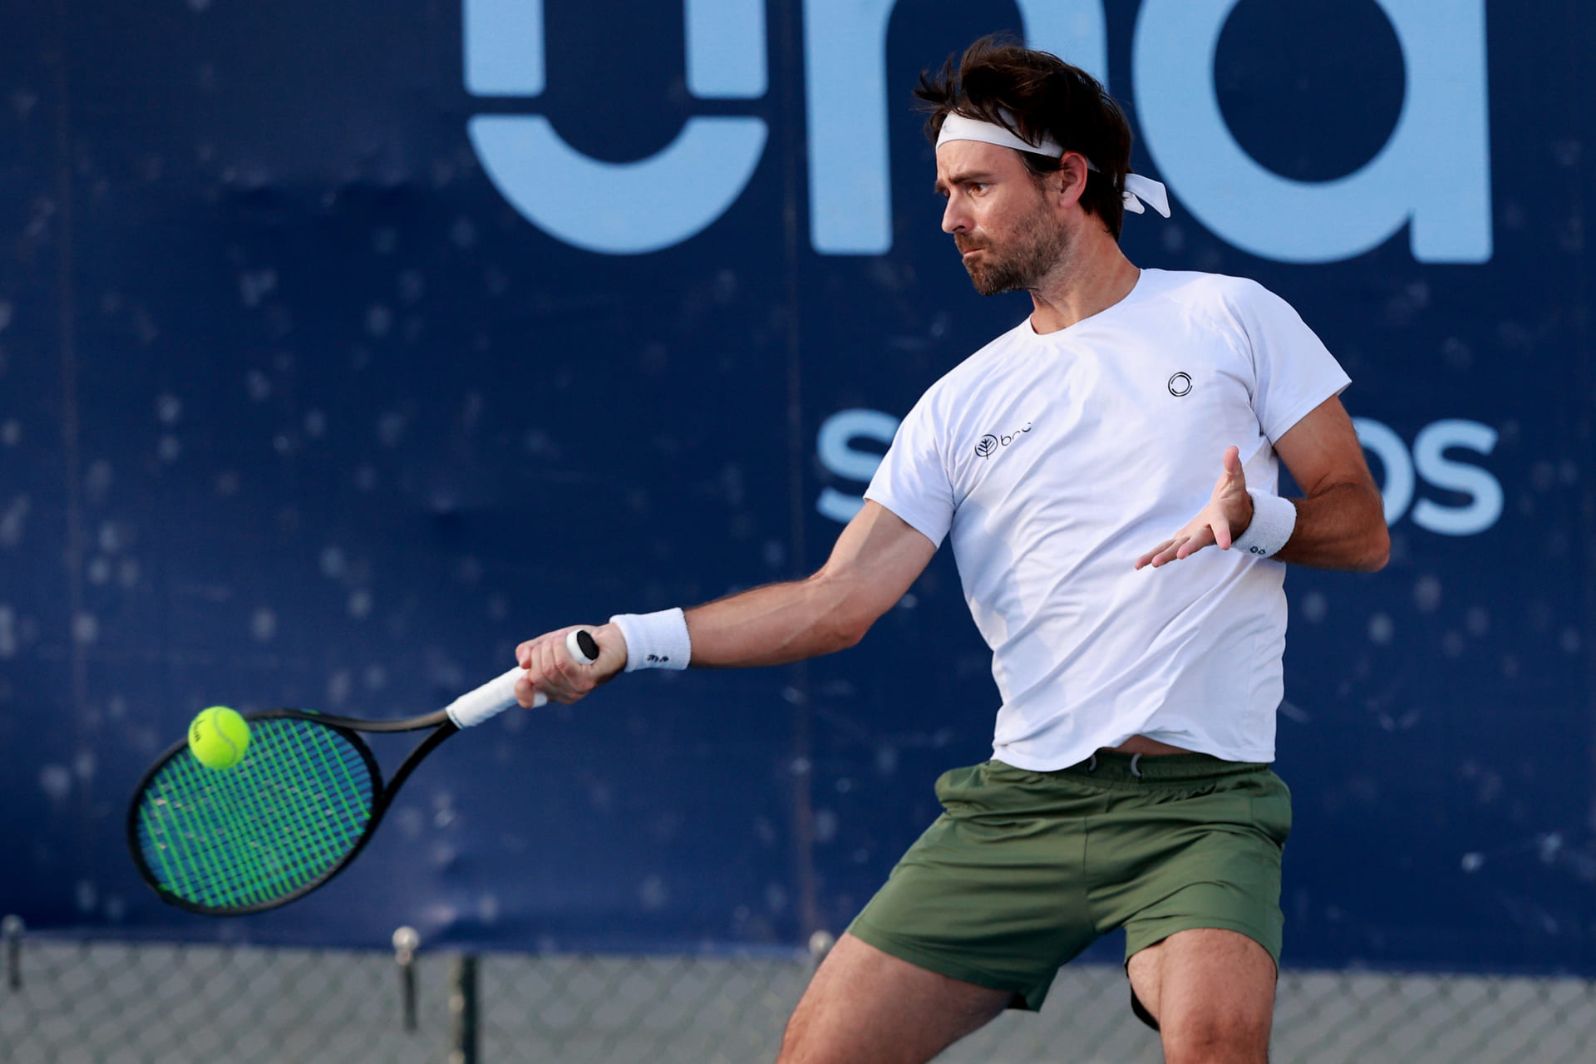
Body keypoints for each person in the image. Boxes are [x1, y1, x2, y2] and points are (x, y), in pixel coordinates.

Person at [512, 35, 1389, 1064]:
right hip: (1021, 808)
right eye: (944, 190)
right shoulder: (958, 404)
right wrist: (626, 638)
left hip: (1202, 806)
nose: (949, 217)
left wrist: (1258, 522)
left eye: (973, 185)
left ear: (1067, 180)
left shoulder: (1231, 317)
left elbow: (1360, 526)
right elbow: (836, 601)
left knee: (1214, 1043)